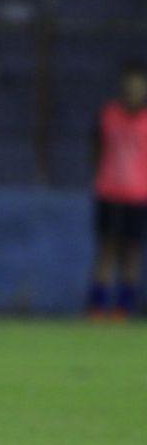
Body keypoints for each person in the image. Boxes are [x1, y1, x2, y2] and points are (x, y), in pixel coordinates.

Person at [88, 61, 147, 319]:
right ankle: (97, 307)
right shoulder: (108, 115)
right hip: (109, 193)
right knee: (107, 250)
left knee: (132, 252)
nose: (134, 91)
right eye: (130, 86)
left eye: (139, 87)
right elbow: (95, 149)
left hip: (138, 195)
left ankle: (123, 308)